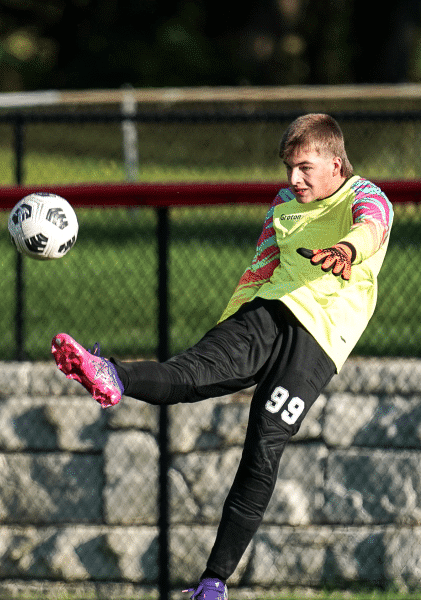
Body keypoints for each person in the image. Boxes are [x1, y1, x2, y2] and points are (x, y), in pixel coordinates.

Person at [51, 113, 393, 600]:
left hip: (319, 341)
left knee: (263, 448)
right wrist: (227, 328)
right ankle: (111, 374)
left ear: (335, 165)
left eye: (305, 168)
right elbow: (261, 267)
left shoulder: (364, 194)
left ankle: (213, 583)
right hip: (267, 311)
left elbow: (373, 225)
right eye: (289, 168)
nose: (294, 178)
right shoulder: (283, 204)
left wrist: (346, 249)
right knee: (190, 373)